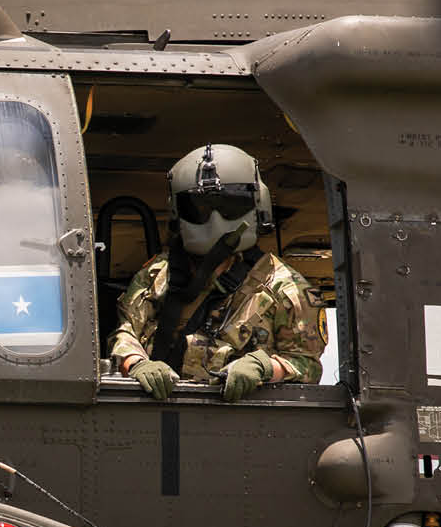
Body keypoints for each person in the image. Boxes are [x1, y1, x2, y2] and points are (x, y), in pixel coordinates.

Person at [107, 144, 323, 401]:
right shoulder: (156, 276)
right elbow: (124, 333)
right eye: (200, 207)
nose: (216, 219)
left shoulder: (284, 288)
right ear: (179, 212)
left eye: (230, 205)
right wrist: (137, 364)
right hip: (159, 412)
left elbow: (306, 364)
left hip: (238, 419)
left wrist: (265, 368)